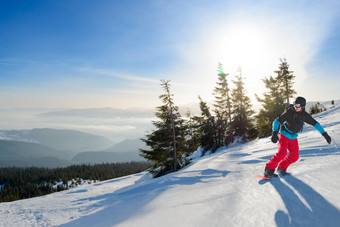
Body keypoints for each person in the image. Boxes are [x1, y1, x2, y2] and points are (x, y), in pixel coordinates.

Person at [264, 96, 332, 178]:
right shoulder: (289, 113)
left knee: (294, 157)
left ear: (302, 106)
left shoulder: (304, 116)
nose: (295, 107)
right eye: (295, 105)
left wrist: (324, 134)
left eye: (298, 105)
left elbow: (315, 124)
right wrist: (274, 133)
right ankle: (268, 169)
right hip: (284, 134)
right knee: (282, 153)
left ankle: (281, 168)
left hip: (293, 137)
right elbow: (276, 121)